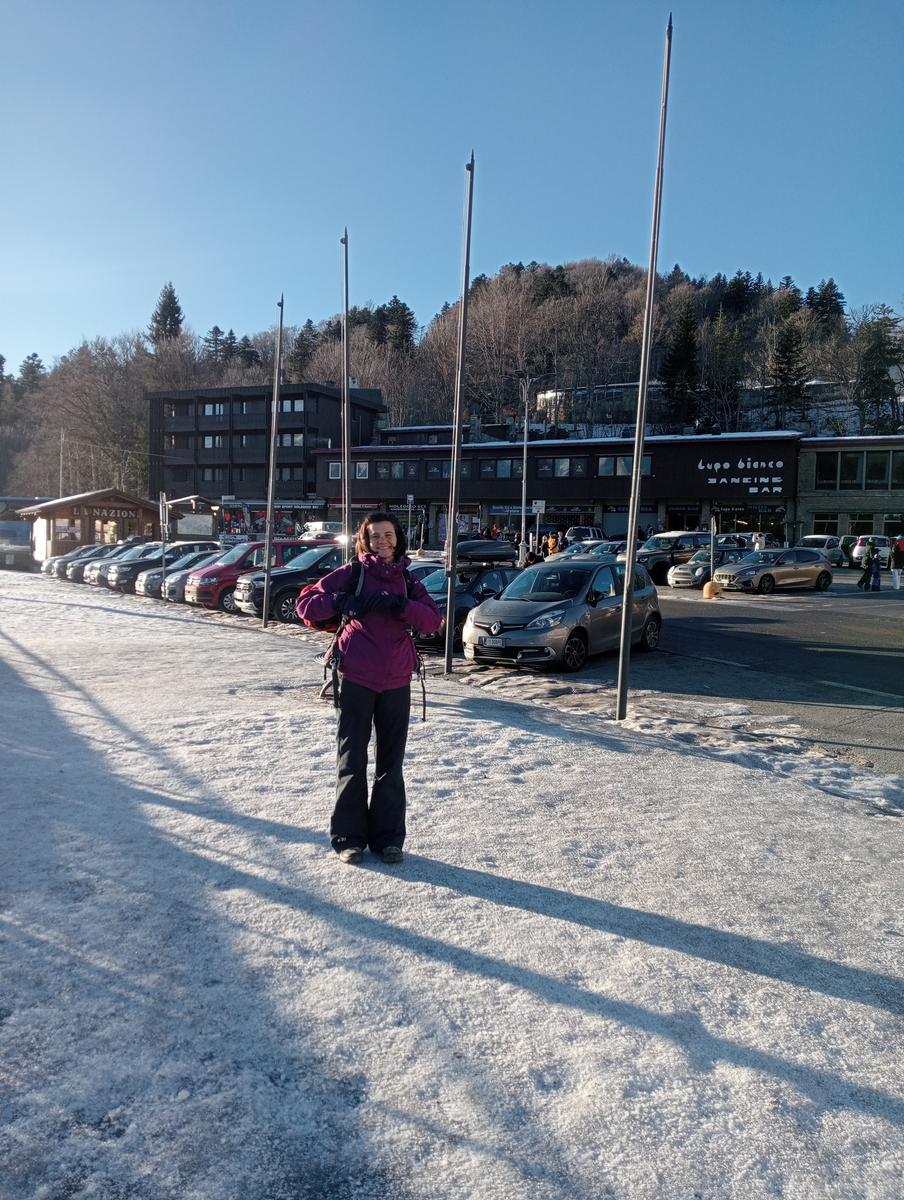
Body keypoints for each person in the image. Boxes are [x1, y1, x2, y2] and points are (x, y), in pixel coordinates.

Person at [295, 511, 442, 865]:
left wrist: (402, 605)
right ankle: (349, 838)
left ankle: (388, 840)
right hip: (358, 678)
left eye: (388, 535)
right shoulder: (353, 573)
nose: (382, 542)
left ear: (398, 538)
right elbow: (305, 604)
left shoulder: (408, 580)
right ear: (364, 540)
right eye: (375, 536)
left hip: (396, 681)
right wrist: (341, 601)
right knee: (352, 759)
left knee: (391, 763)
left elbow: (433, 621)